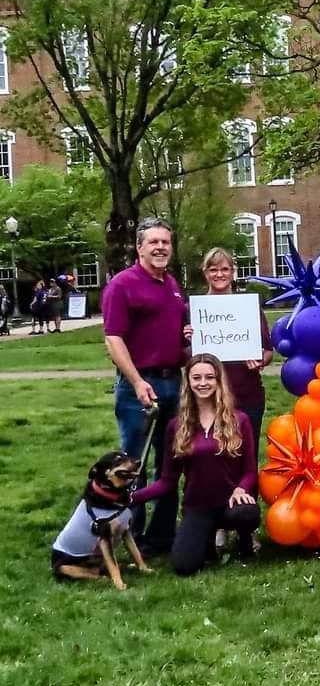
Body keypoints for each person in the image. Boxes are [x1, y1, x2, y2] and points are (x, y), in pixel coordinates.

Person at [101, 216, 188, 554]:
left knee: (170, 461)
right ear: (139, 247)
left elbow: (177, 337)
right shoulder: (123, 285)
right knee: (131, 465)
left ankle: (162, 535)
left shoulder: (172, 285)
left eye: (165, 242)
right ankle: (131, 533)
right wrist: (137, 381)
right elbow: (113, 339)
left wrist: (188, 341)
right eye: (153, 242)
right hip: (139, 386)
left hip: (173, 381)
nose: (160, 247)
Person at [132, 354, 259, 575]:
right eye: (196, 378)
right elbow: (166, 481)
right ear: (188, 382)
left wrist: (241, 489)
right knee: (184, 566)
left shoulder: (239, 420)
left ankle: (245, 537)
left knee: (246, 513)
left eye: (210, 377)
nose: (203, 383)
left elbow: (250, 471)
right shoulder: (176, 426)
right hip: (198, 507)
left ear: (219, 381)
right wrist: (130, 498)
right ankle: (206, 538)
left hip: (231, 504)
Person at [197, 248, 273, 443]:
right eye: (213, 270)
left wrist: (260, 362)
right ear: (205, 273)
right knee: (212, 454)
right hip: (207, 395)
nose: (219, 274)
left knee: (247, 453)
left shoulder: (248, 307)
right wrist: (189, 338)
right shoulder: (195, 310)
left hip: (246, 392)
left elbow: (267, 351)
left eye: (224, 269)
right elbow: (183, 354)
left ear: (232, 272)